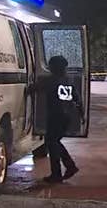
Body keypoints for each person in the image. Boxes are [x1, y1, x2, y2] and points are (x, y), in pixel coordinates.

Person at [29, 55, 82, 183]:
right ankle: (69, 167)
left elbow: (34, 88)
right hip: (66, 117)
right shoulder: (68, 80)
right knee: (54, 142)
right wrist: (82, 115)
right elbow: (77, 99)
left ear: (54, 67)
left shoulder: (51, 80)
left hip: (56, 117)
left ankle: (58, 173)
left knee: (52, 143)